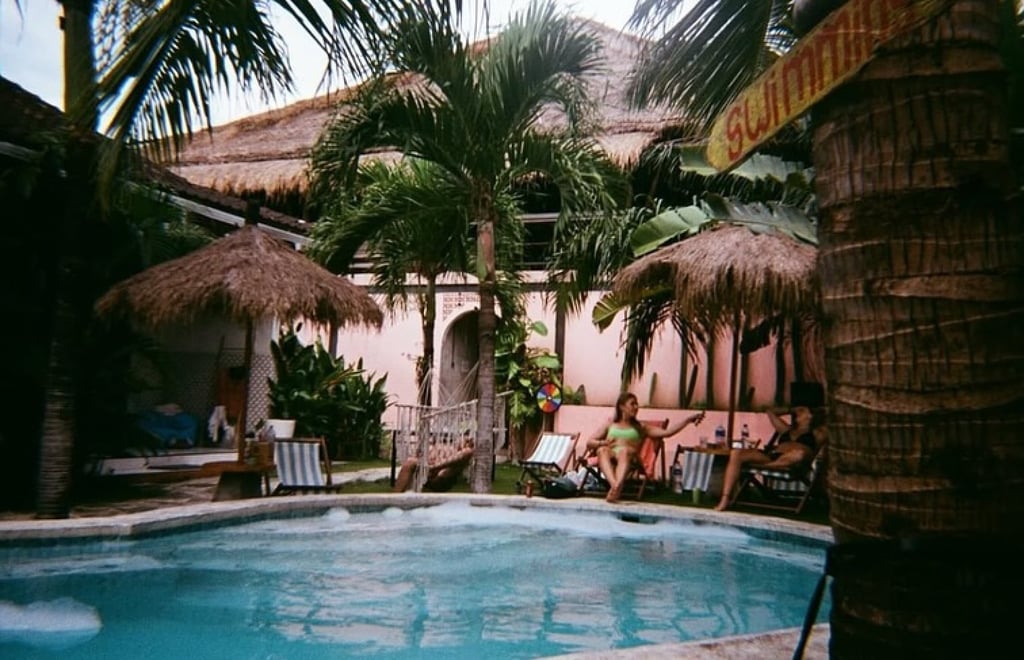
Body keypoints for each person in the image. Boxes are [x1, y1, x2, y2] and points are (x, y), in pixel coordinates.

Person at [588, 392, 706, 503]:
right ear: (622, 407)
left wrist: (687, 420)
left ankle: (615, 487)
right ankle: (615, 486)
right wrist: (602, 443)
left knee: (623, 451)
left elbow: (668, 432)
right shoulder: (610, 424)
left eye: (637, 404)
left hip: (629, 455)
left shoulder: (641, 427)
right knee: (601, 450)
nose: (636, 407)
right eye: (632, 404)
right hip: (611, 452)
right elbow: (590, 442)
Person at [714, 406, 827, 511]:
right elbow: (769, 411)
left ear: (810, 416)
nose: (798, 412)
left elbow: (832, 419)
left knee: (799, 453)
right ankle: (725, 498)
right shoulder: (786, 430)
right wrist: (791, 409)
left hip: (795, 462)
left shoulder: (818, 433)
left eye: (803, 411)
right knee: (736, 453)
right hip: (772, 458)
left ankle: (767, 467)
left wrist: (819, 411)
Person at [393, 434, 474, 493]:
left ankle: (434, 468)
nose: (464, 442)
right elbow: (421, 456)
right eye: (465, 440)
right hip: (428, 473)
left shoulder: (466, 452)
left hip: (443, 477)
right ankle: (394, 498)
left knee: (465, 454)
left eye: (468, 442)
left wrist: (434, 467)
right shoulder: (442, 447)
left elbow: (463, 455)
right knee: (410, 462)